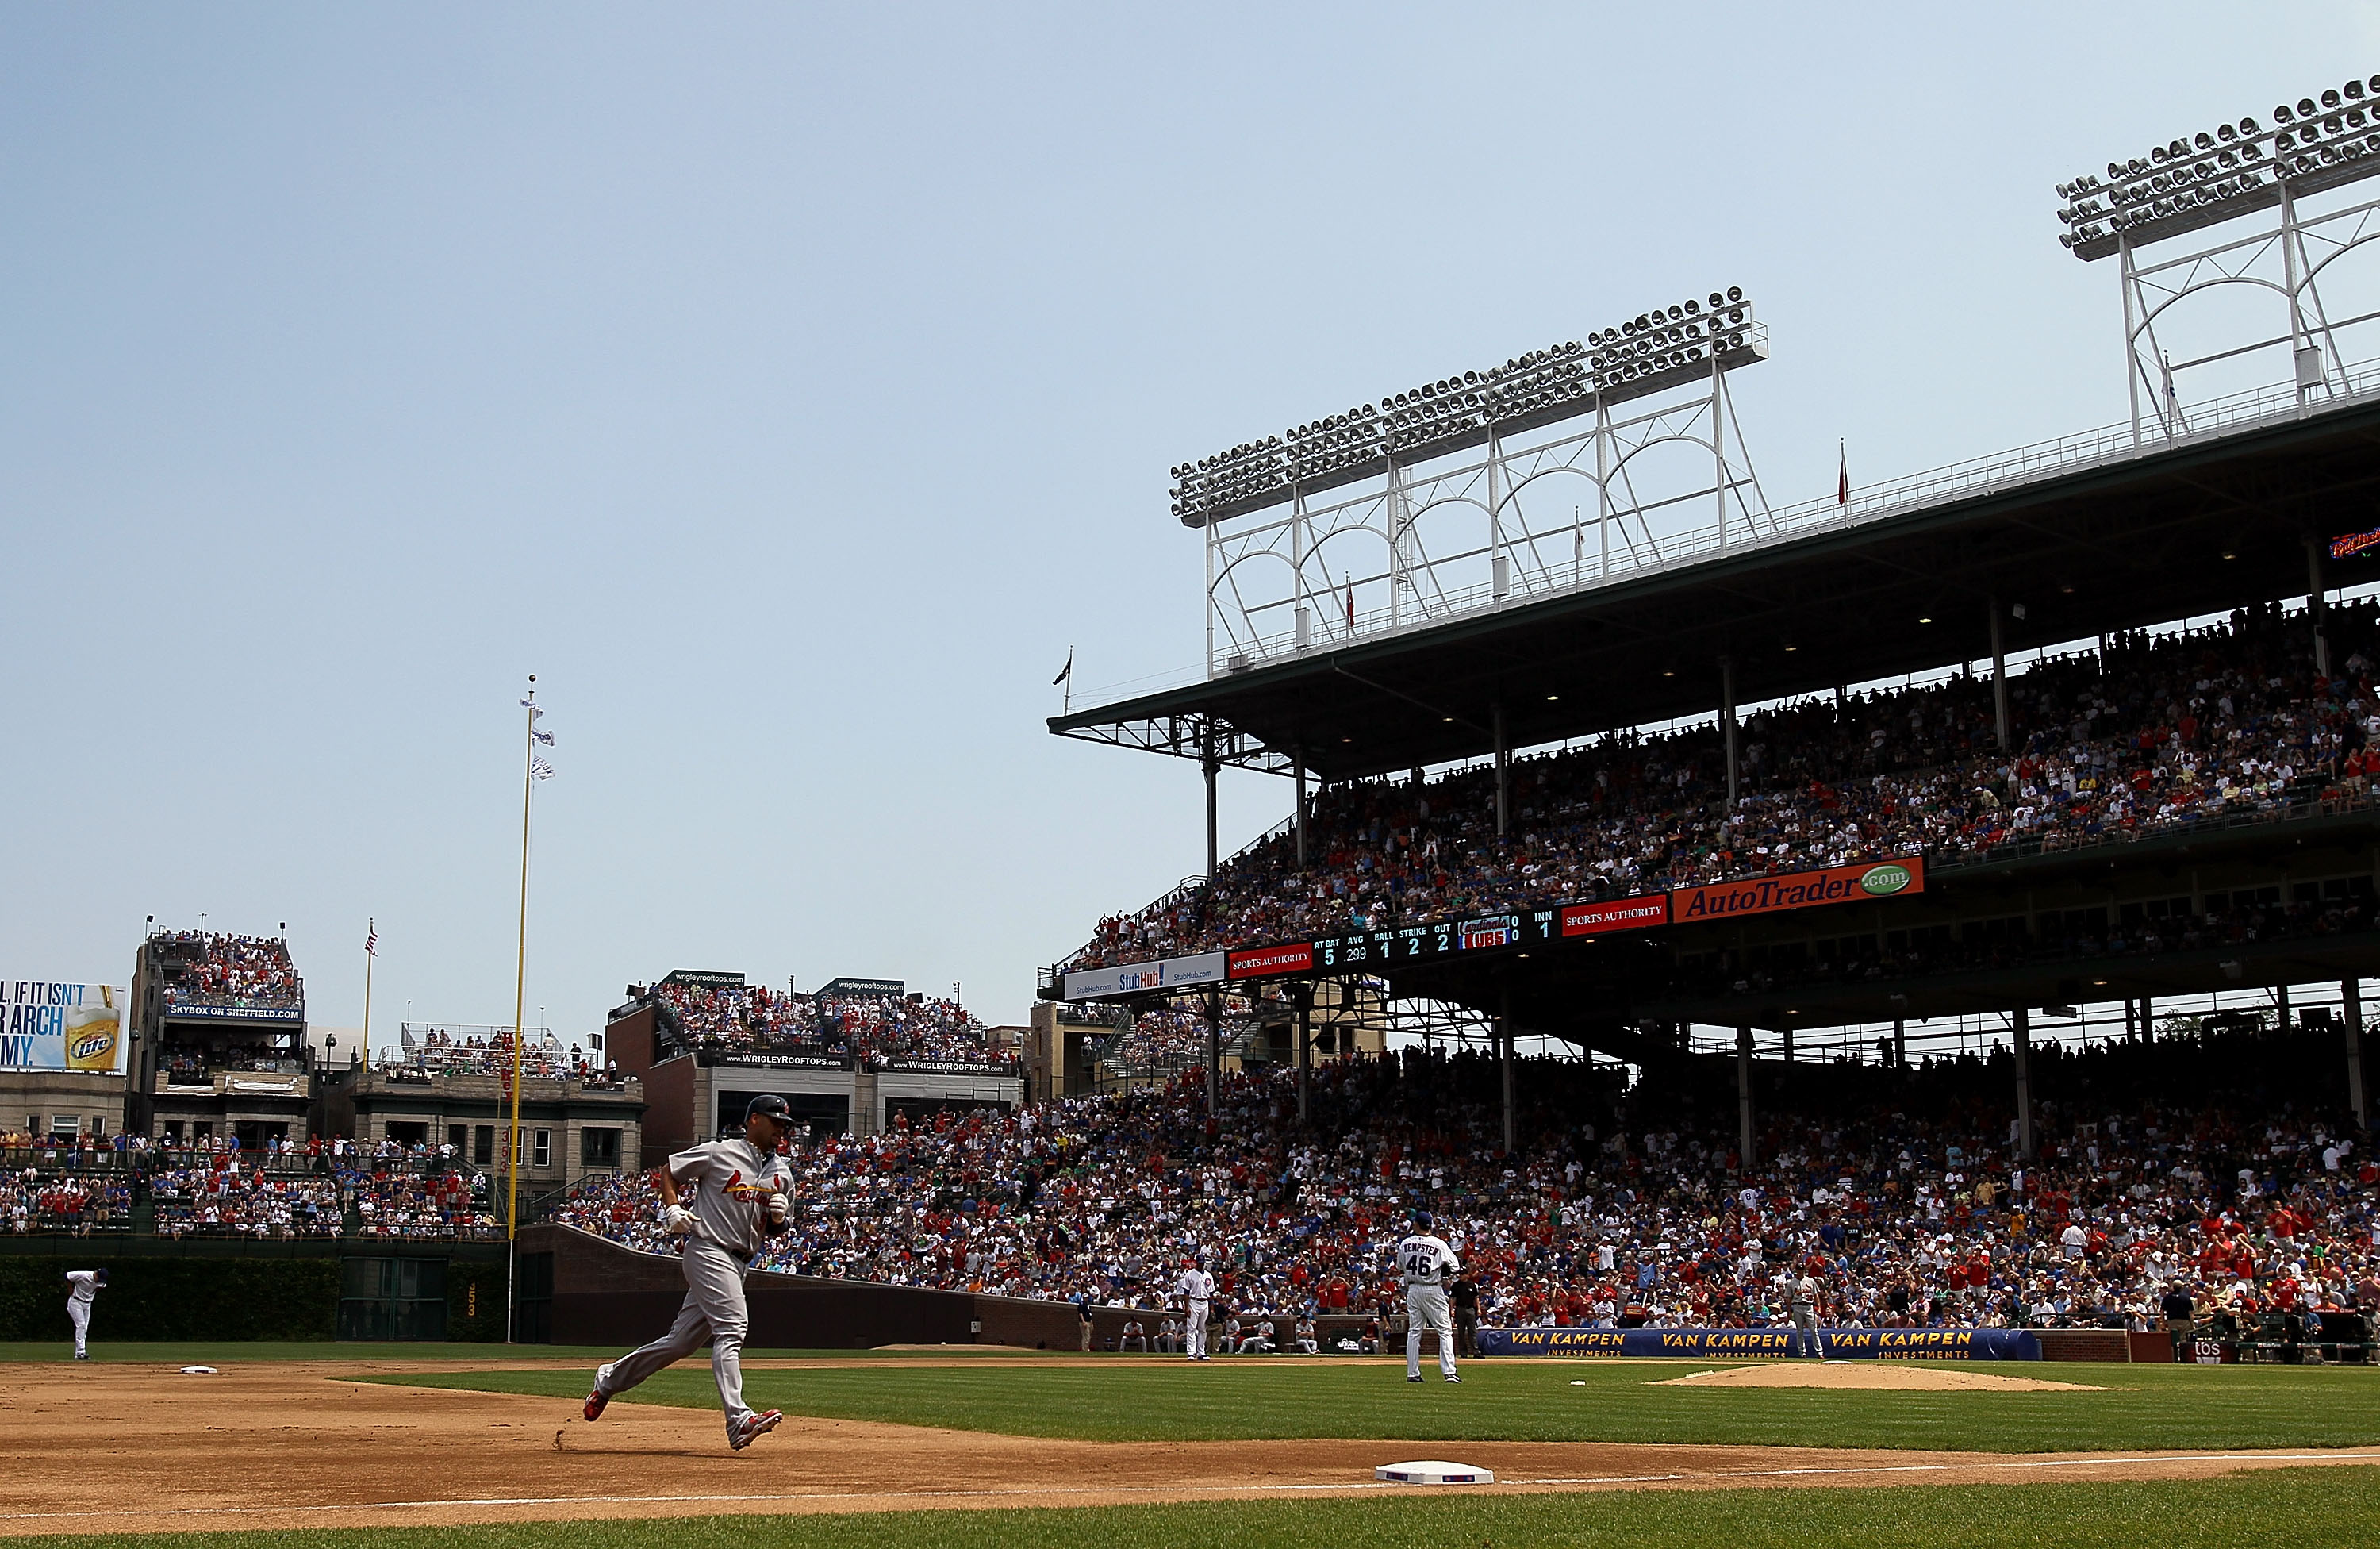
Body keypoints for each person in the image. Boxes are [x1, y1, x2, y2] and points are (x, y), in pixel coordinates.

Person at [582, 1094, 796, 1451]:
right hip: (709, 1250)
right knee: (732, 1327)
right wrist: (672, 1208)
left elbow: (775, 1229)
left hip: (741, 1262)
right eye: (776, 1122)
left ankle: (608, 1381)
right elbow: (670, 1170)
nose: (782, 1130)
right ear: (754, 1120)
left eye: (786, 1126)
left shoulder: (782, 1173)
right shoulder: (719, 1153)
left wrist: (778, 1218)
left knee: (679, 1343)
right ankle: (738, 1420)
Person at [1396, 1209, 1461, 1384]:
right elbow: (1455, 1266)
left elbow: (1400, 1266)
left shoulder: (1405, 1243)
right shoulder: (1439, 1244)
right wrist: (1445, 1273)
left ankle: (1413, 1373)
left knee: (1414, 1331)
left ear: (1417, 1224)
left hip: (1414, 1289)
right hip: (1432, 1288)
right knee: (1445, 1331)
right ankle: (1449, 1373)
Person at [1177, 1258, 1215, 1361]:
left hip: (1205, 1302)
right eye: (1200, 1263)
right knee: (1192, 1328)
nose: (1202, 1265)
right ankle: (1191, 1353)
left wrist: (1212, 1309)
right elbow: (1186, 1292)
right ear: (1196, 1263)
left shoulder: (1208, 1275)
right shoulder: (1190, 1274)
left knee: (1202, 1328)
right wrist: (1187, 1306)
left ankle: (1201, 1352)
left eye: (1203, 1263)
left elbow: (1211, 1294)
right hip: (1193, 1302)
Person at [1789, 1263, 1827, 1359]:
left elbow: (1816, 1295)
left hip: (1809, 1306)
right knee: (1800, 1331)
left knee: (1814, 1330)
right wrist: (1789, 1310)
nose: (1800, 1272)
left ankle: (1819, 1352)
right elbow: (1788, 1298)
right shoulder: (1792, 1282)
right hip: (1797, 1305)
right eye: (1799, 1270)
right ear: (1796, 1270)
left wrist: (1818, 1306)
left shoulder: (1810, 1281)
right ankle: (1802, 1353)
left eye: (1802, 1270)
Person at [64, 1268, 105, 1360]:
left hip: (87, 1304)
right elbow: (67, 1276)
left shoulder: (101, 1282)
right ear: (96, 1274)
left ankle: (80, 1353)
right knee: (81, 1325)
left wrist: (90, 1293)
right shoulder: (84, 1275)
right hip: (76, 1301)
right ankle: (80, 1352)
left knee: (84, 1328)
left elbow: (101, 1286)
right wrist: (70, 1289)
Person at [2161, 1282, 2198, 1363]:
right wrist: (2192, 1324)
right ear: (2182, 1288)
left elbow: (2162, 1311)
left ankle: (2174, 1358)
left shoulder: (2168, 1297)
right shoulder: (2186, 1297)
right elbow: (2190, 1313)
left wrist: (2164, 1322)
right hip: (2184, 1322)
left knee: (2173, 1340)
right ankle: (2183, 1358)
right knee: (2183, 1340)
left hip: (2172, 1321)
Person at [1448, 1272, 1481, 1359]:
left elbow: (1476, 1298)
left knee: (1472, 1331)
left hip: (1470, 1308)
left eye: (1462, 1274)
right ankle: (1463, 1352)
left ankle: (1476, 1351)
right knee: (1461, 1332)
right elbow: (1452, 1298)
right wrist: (1451, 1309)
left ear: (1467, 1275)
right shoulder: (1456, 1285)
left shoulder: (1472, 1285)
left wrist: (1479, 1309)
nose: (1460, 1276)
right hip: (1460, 1308)